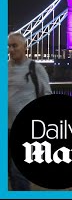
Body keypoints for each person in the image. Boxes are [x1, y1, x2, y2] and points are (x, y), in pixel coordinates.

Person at [8, 32, 52, 190]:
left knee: (18, 171)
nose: (11, 49)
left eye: (15, 46)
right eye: (9, 46)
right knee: (10, 172)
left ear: (25, 47)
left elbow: (46, 95)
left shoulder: (36, 68)